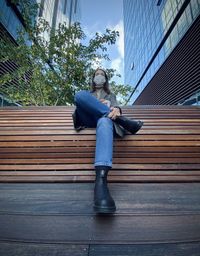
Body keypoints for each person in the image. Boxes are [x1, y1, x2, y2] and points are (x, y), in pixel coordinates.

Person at [72, 68, 143, 214]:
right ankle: (124, 122)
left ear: (105, 79)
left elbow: (116, 108)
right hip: (88, 119)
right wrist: (97, 104)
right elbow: (79, 106)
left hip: (104, 121)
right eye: (97, 74)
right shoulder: (88, 94)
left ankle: (101, 182)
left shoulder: (111, 95)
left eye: (102, 75)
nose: (99, 76)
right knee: (79, 95)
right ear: (93, 78)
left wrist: (114, 109)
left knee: (105, 121)